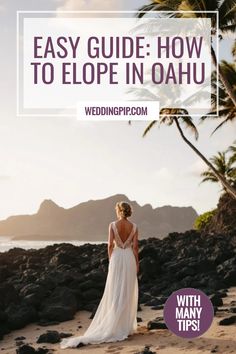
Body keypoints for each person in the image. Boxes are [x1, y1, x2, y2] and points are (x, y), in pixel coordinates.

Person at [60, 201, 139, 349]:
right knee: (127, 291)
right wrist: (137, 263)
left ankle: (114, 325)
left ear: (118, 211)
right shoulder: (134, 227)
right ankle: (125, 327)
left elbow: (109, 245)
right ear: (128, 212)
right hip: (129, 258)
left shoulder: (112, 225)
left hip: (116, 257)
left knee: (115, 291)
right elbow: (135, 247)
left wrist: (111, 259)